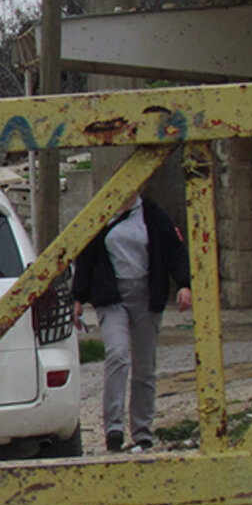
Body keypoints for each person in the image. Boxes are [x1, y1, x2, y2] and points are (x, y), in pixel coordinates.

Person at [72, 194, 192, 453]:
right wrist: (78, 297)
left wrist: (184, 284)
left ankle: (142, 432)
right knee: (118, 355)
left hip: (146, 296)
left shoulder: (153, 214)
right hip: (111, 296)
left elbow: (174, 249)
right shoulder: (102, 215)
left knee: (144, 367)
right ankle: (114, 428)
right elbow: (86, 256)